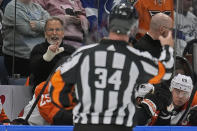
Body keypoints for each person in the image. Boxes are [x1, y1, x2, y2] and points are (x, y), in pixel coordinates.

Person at [49, 2, 174, 131]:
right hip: (119, 126)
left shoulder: (83, 54)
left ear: (109, 24)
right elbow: (165, 71)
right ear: (133, 28)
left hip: (86, 125)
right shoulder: (135, 58)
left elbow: (56, 87)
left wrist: (74, 106)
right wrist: (167, 47)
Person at [2, 0, 50, 77]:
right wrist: (44, 27)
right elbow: (26, 30)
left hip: (40, 57)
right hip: (20, 59)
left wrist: (37, 25)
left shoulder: (37, 6)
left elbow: (51, 26)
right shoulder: (12, 7)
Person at [30, 17, 75, 89]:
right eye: (51, 30)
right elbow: (35, 71)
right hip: (44, 93)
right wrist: (47, 57)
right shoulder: (38, 49)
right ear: (45, 34)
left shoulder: (71, 50)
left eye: (57, 30)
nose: (54, 33)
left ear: (63, 34)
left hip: (65, 92)